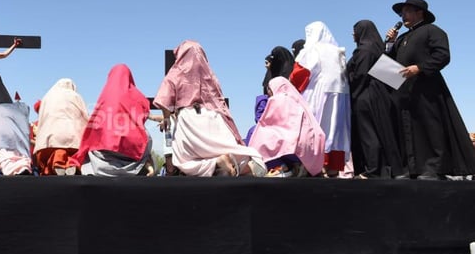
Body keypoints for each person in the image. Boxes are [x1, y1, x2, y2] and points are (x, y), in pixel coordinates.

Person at [385, 0, 475, 179]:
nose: (403, 16)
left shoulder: (432, 31)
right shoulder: (402, 38)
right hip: (405, 90)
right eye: (402, 13)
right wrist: (389, 44)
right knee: (408, 128)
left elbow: (443, 55)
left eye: (407, 11)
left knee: (431, 127)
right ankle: (412, 168)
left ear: (420, 13)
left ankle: (435, 168)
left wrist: (419, 68)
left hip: (427, 88)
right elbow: (391, 62)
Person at [154, 41, 265, 177]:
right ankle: (244, 166)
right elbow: (220, 102)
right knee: (226, 148)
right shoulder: (210, 75)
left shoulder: (176, 72)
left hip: (189, 120)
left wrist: (167, 118)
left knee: (185, 161)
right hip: (214, 117)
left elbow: (163, 99)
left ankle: (217, 163)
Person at [289, 22, 351, 177]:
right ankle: (333, 167)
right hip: (341, 94)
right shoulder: (338, 51)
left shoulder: (312, 49)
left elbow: (300, 73)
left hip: (318, 93)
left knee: (315, 128)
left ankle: (316, 165)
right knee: (336, 131)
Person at [69, 64, 154, 176]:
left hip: (103, 150)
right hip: (130, 151)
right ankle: (147, 167)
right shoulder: (136, 95)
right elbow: (144, 112)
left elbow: (95, 120)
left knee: (91, 136)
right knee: (146, 137)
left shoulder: (104, 95)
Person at [347, 20, 404, 179]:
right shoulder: (377, 48)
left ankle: (373, 170)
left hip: (365, 96)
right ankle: (380, 169)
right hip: (378, 95)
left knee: (368, 134)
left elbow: (360, 75)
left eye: (355, 30)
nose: (353, 34)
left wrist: (351, 93)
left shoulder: (364, 50)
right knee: (379, 132)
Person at [248, 77, 326, 177]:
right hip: (309, 151)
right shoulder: (298, 100)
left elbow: (267, 123)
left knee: (255, 133)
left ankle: (280, 167)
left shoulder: (278, 99)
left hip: (292, 148)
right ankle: (297, 167)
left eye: (269, 89)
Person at [34, 78, 90, 175]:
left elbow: (42, 118)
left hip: (51, 136)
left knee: (56, 151)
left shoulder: (47, 97)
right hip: (74, 135)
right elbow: (84, 115)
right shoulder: (76, 96)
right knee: (73, 155)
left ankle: (56, 163)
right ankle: (71, 165)